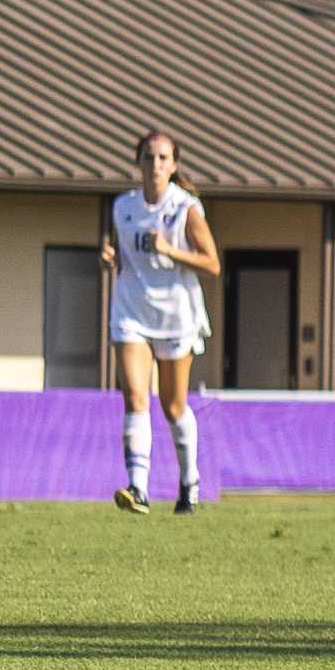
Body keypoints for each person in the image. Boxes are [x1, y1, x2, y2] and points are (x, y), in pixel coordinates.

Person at [102, 130, 219, 515]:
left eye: (163, 158)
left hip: (176, 314)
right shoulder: (123, 207)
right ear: (138, 163)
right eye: (149, 157)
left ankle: (190, 483)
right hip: (132, 313)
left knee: (172, 406)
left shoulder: (185, 208)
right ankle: (138, 489)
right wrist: (110, 258)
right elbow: (126, 255)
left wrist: (170, 249)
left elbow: (212, 264)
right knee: (136, 398)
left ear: (174, 165)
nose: (155, 165)